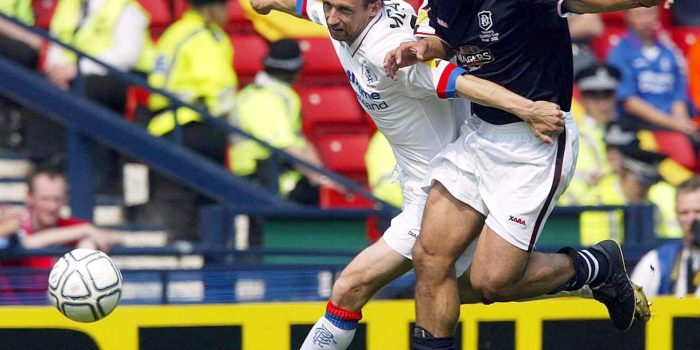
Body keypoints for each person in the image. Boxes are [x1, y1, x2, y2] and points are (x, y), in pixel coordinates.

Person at [251, 0, 570, 348]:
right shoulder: (343, 15)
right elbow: (300, 5)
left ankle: (585, 272)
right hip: (438, 182)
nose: (331, 19)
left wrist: (528, 110)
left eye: (341, 10)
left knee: (352, 287)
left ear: (373, 8)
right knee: (473, 286)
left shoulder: (387, 50)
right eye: (328, 7)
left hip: (444, 189)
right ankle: (591, 274)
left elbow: (457, 79)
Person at [383, 0, 667, 346]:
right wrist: (420, 47)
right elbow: (443, 37)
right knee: (429, 258)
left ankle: (596, 265)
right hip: (479, 133)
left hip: (537, 142)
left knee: (492, 281)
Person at [147, 0, 237, 242]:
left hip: (162, 124)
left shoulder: (175, 31)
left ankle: (182, 240)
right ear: (212, 8)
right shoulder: (206, 37)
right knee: (212, 201)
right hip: (194, 125)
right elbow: (217, 90)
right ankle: (209, 248)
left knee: (178, 198)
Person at [229, 39, 327, 205]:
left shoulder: (282, 96)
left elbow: (300, 141)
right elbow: (285, 145)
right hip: (259, 179)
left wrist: (321, 177)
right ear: (297, 71)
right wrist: (318, 177)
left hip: (279, 176)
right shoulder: (261, 98)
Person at [0, 168, 124, 269]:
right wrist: (86, 229)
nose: (52, 206)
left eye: (57, 199)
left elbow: (116, 237)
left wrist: (87, 242)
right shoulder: (13, 221)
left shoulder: (68, 226)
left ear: (65, 199)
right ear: (29, 198)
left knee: (88, 244)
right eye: (45, 199)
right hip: (12, 299)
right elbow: (27, 242)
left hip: (54, 298)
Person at [45, 0, 155, 112]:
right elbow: (56, 42)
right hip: (75, 72)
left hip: (126, 75)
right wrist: (58, 72)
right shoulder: (69, 4)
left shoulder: (125, 7)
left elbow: (127, 56)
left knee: (86, 88)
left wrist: (78, 69)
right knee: (41, 84)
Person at [607, 6, 695, 136]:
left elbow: (678, 95)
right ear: (627, 17)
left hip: (673, 126)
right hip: (638, 127)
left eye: (649, 13)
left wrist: (682, 122)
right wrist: (673, 124)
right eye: (638, 15)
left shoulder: (668, 51)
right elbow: (628, 101)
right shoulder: (620, 53)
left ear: (658, 15)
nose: (645, 20)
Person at [631, 176, 700, 297]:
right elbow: (632, 307)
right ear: (676, 215)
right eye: (684, 212)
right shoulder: (658, 260)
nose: (691, 219)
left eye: (698, 211)